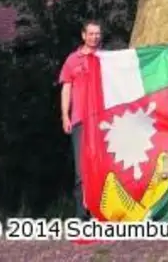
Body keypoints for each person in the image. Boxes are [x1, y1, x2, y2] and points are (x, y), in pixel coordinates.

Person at [58, 20, 102, 220]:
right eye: (91, 33)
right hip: (80, 121)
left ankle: (100, 212)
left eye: (97, 34)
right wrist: (65, 115)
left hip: (101, 120)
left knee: (101, 165)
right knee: (81, 169)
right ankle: (81, 215)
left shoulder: (104, 59)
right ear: (84, 35)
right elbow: (66, 88)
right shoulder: (72, 60)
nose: (94, 37)